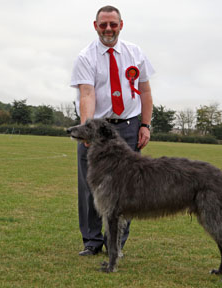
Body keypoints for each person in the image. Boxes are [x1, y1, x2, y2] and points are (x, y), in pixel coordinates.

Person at [70, 5, 155, 256]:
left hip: (129, 127)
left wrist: (145, 124)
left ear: (121, 25)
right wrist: (87, 130)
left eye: (113, 24)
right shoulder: (86, 57)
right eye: (103, 24)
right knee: (90, 188)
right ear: (95, 26)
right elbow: (87, 93)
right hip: (97, 128)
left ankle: (115, 244)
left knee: (127, 190)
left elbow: (146, 92)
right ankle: (92, 242)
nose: (108, 29)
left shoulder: (136, 53)